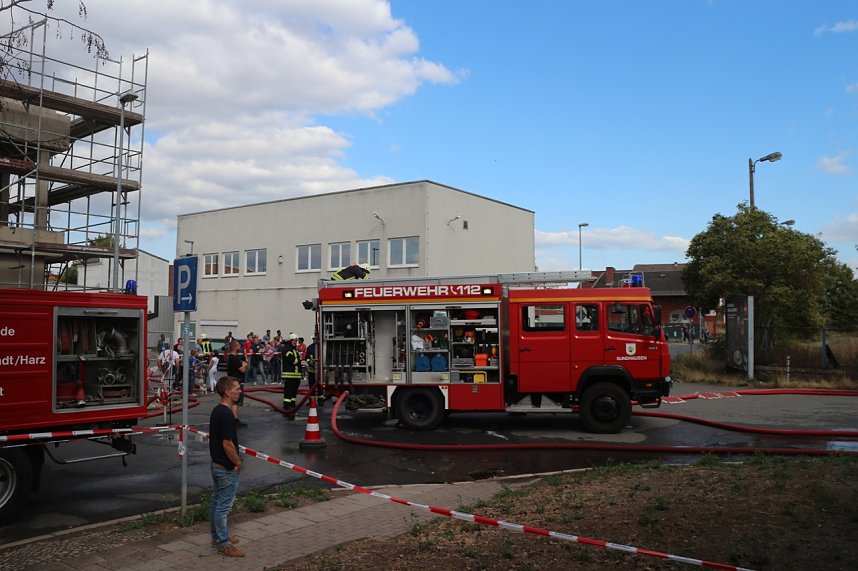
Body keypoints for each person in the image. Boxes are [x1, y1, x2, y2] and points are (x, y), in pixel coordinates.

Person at [208, 376, 245, 557]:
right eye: (236, 388)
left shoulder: (217, 411)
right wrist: (238, 462)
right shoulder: (227, 414)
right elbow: (227, 443)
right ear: (227, 391)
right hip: (226, 468)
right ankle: (223, 544)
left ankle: (217, 536)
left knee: (216, 503)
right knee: (223, 506)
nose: (239, 391)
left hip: (217, 464)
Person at [226, 340, 248, 427]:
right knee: (235, 401)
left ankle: (233, 419)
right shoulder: (234, 358)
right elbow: (242, 370)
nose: (240, 346)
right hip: (236, 382)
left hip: (232, 381)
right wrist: (245, 365)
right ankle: (235, 420)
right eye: (238, 345)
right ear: (235, 347)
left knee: (234, 401)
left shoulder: (232, 358)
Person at [280, 333, 302, 420]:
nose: (295, 342)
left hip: (296, 375)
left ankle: (292, 404)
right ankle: (287, 406)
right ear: (290, 341)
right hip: (289, 374)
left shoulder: (293, 349)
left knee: (294, 391)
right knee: (288, 391)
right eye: (294, 340)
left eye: (296, 341)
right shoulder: (286, 348)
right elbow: (292, 359)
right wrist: (300, 360)